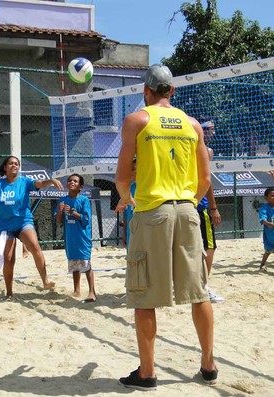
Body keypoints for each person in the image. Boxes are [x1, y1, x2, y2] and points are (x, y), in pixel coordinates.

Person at [115, 64, 217, 391]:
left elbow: (121, 176)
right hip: (187, 210)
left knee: (144, 294)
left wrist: (127, 199)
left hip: (152, 210)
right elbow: (204, 179)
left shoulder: (137, 120)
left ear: (146, 90)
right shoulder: (193, 125)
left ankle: (147, 373)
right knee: (199, 292)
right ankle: (208, 365)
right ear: (172, 91)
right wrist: (190, 202)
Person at [0, 155, 63, 300]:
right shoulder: (0, 184)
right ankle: (9, 293)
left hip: (23, 222)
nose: (15, 165)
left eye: (17, 164)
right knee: (8, 259)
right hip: (6, 226)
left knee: (35, 246)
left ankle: (45, 281)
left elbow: (39, 183)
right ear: (6, 167)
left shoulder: (25, 182)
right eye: (11, 163)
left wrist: (50, 181)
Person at [55, 173, 96, 302]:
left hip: (82, 237)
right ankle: (76, 289)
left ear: (80, 187)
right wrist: (61, 211)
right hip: (70, 237)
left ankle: (92, 292)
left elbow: (86, 219)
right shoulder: (62, 200)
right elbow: (58, 220)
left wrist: (73, 212)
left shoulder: (83, 200)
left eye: (75, 181)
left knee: (86, 263)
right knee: (74, 264)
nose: (72, 182)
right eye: (70, 180)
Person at [199, 121, 225, 303]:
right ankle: (204, 287)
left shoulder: (181, 147)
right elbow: (206, 181)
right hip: (199, 206)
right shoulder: (205, 151)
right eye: (210, 129)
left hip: (180, 203)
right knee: (209, 247)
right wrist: (214, 208)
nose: (212, 132)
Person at [122, 159, 136, 251]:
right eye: (130, 169)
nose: (131, 172)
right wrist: (124, 233)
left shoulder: (149, 188)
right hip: (130, 232)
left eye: (134, 169)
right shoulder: (130, 188)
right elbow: (126, 213)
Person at [259, 187, 274, 270]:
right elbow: (262, 218)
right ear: (266, 198)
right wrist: (269, 223)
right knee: (268, 251)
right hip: (270, 234)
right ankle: (262, 264)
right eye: (272, 195)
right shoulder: (265, 207)